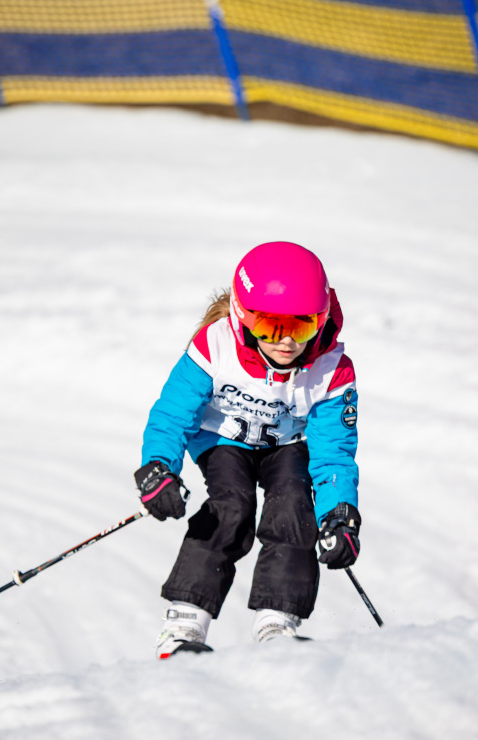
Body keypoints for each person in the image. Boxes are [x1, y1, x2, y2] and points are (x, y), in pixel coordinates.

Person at [135, 241, 360, 658]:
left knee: (294, 504)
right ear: (244, 317)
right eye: (273, 327)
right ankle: (184, 626)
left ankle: (277, 621)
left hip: (286, 445)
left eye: (303, 327)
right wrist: (158, 468)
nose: (287, 342)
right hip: (222, 439)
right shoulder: (215, 345)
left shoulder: (331, 368)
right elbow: (172, 414)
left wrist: (339, 515)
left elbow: (333, 454)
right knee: (232, 505)